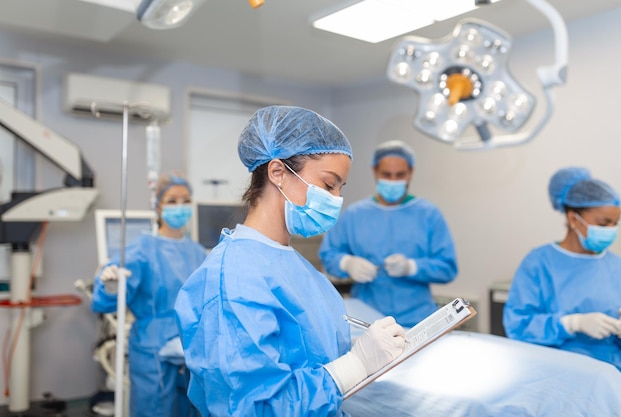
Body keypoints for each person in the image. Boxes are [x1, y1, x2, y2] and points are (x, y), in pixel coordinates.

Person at [174, 106, 406, 417]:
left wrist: (363, 353)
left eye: (340, 188)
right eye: (328, 185)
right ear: (278, 173)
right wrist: (356, 364)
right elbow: (255, 409)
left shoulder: (293, 266)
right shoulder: (233, 277)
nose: (336, 200)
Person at [91, 172, 207, 417]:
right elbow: (107, 300)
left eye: (186, 201)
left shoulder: (198, 253)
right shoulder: (143, 250)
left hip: (191, 347)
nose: (180, 207)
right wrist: (110, 285)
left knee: (194, 407)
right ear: (158, 207)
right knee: (155, 409)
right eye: (172, 201)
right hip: (152, 348)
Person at [319, 140, 458, 327]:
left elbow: (447, 267)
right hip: (367, 320)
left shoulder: (428, 214)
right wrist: (347, 263)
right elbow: (328, 255)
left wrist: (412, 267)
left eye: (399, 175)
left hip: (417, 321)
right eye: (387, 175)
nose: (393, 180)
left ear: (410, 173)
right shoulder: (355, 214)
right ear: (375, 172)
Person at [503, 167, 621, 375]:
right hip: (556, 377)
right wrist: (571, 323)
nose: (610, 230)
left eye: (615, 223)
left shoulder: (618, 267)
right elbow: (518, 326)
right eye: (604, 223)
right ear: (572, 219)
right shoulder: (539, 263)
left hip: (612, 380)